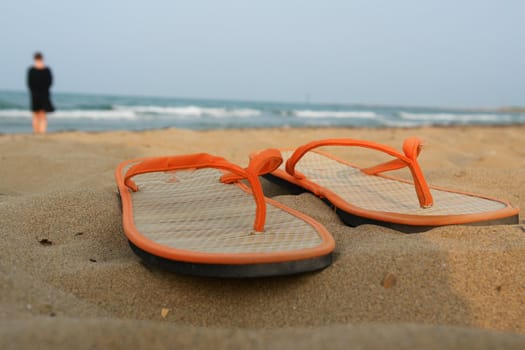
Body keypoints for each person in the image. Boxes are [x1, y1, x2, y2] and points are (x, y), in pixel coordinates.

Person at [27, 52, 54, 134]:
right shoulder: (32, 70)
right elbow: (29, 83)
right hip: (40, 93)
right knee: (38, 114)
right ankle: (39, 131)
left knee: (40, 114)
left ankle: (40, 131)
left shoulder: (44, 70)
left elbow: (50, 82)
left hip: (40, 93)